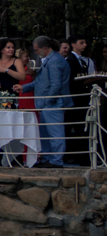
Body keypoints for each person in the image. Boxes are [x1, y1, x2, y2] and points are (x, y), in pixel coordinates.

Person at [19, 35, 72, 165]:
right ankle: (48, 157)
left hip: (52, 103)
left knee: (55, 133)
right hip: (46, 103)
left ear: (44, 48)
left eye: (36, 50)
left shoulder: (54, 61)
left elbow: (55, 84)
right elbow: (41, 82)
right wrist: (24, 88)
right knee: (46, 133)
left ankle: (56, 160)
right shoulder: (50, 60)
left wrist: (48, 100)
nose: (35, 52)